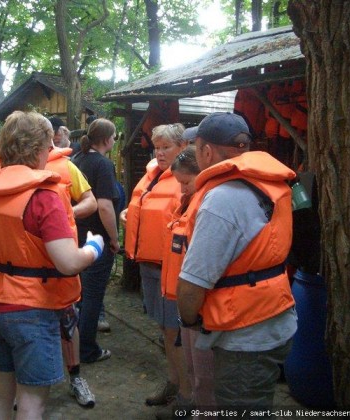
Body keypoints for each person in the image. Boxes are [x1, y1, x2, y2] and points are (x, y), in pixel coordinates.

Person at [0, 110, 104, 419]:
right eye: (49, 146)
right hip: (32, 308)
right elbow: (69, 262)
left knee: (1, 397)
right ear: (40, 146)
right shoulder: (44, 195)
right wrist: (93, 248)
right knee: (32, 400)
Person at [176, 112, 297, 416]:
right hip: (276, 317)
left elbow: (193, 284)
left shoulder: (222, 199)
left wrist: (189, 320)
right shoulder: (271, 182)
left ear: (206, 152)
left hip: (244, 335)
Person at [119, 123, 191, 412]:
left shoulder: (188, 179)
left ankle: (187, 395)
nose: (159, 153)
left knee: (175, 333)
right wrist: (131, 213)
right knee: (165, 329)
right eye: (156, 147)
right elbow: (150, 208)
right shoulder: (154, 174)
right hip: (149, 264)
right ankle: (174, 383)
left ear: (182, 147)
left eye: (166, 148)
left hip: (170, 266)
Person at [160, 138, 216, 419]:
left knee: (205, 374)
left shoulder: (208, 207)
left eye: (186, 183)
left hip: (198, 305)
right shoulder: (186, 203)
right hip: (181, 299)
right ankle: (191, 404)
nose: (181, 189)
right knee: (194, 368)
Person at [45, 142, 98, 407]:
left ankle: (75, 377)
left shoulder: (66, 167)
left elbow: (90, 202)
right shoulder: (3, 171)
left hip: (62, 257)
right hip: (22, 269)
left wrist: (65, 213)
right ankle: (27, 387)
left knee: (68, 318)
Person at [71, 118, 120, 364]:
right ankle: (87, 349)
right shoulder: (102, 164)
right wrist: (114, 238)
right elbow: (104, 206)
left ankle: (72, 342)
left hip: (76, 235)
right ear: (106, 139)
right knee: (92, 295)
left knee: (79, 293)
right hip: (97, 239)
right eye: (113, 136)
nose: (114, 140)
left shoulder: (76, 160)